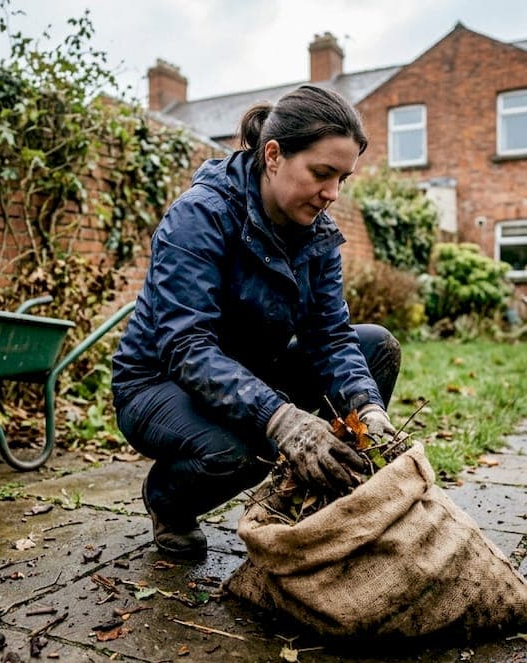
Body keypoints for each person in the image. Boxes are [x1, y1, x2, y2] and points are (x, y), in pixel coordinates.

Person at [112, 85, 402, 559]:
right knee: (251, 444)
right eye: (322, 173)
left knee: (376, 350)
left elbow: (329, 336)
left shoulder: (317, 234)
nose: (332, 194)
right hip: (159, 383)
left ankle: (329, 499)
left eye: (342, 179)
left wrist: (368, 410)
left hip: (249, 372)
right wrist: (281, 419)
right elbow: (186, 345)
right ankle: (168, 499)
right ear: (273, 155)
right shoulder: (199, 216)